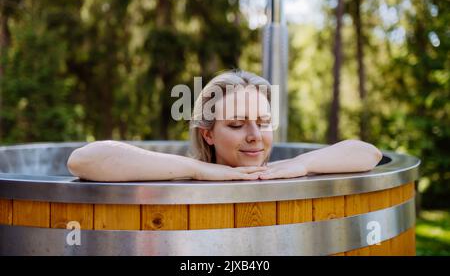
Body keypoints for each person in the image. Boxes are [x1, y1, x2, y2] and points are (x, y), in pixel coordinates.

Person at [67, 69, 383, 182]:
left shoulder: (279, 172)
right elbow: (82, 160)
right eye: (236, 124)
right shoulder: (186, 175)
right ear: (208, 133)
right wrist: (200, 170)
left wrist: (302, 164)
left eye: (263, 122)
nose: (255, 136)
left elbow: (368, 154)